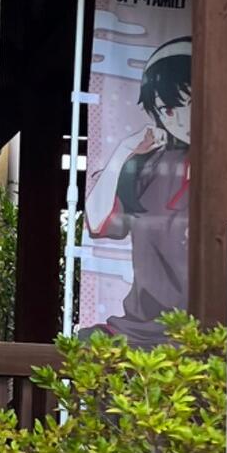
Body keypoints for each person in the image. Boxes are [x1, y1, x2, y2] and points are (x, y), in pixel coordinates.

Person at [82, 34, 193, 346]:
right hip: (139, 331)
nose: (181, 119)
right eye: (169, 109)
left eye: (192, 101)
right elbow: (98, 222)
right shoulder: (152, 165)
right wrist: (124, 152)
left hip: (203, 335)